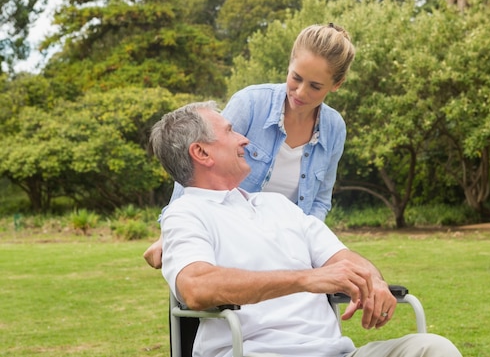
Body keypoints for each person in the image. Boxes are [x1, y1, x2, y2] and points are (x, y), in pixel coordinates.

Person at [150, 101, 463, 357]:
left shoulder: (278, 205)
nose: (244, 139)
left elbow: (344, 259)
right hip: (258, 353)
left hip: (337, 353)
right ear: (201, 153)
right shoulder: (186, 214)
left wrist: (373, 280)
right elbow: (196, 287)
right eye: (230, 131)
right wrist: (307, 279)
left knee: (433, 349)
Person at [143, 23, 355, 269]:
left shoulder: (334, 128)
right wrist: (169, 232)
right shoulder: (251, 103)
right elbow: (196, 165)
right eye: (295, 78)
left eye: (315, 86)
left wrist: (308, 244)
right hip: (232, 242)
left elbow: (320, 200)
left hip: (286, 250)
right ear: (289, 65)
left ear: (336, 84)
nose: (300, 91)